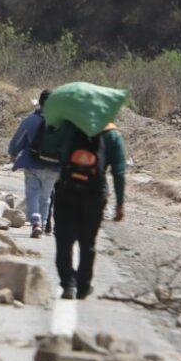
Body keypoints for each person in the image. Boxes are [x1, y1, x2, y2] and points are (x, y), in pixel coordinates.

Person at [54, 120, 126, 300]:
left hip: (67, 190)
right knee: (88, 242)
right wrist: (119, 203)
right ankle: (83, 286)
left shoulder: (70, 126)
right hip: (95, 194)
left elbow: (57, 152)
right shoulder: (113, 135)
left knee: (64, 240)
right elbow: (119, 172)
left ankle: (68, 284)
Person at [8, 90, 60, 238]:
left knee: (32, 195)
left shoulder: (31, 120)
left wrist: (13, 153)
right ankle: (43, 224)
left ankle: (36, 223)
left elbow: (18, 140)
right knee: (46, 197)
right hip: (53, 167)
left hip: (32, 165)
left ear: (40, 102)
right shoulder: (61, 122)